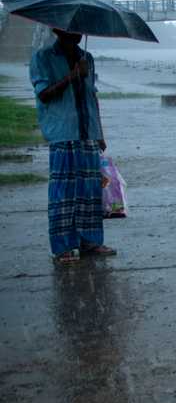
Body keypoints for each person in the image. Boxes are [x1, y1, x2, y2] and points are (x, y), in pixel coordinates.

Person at [29, 29, 116, 262]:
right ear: (58, 30)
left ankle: (91, 242)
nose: (77, 32)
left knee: (90, 192)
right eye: (71, 29)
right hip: (63, 134)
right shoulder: (43, 58)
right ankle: (62, 248)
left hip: (87, 133)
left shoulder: (87, 58)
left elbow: (92, 96)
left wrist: (100, 132)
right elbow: (44, 95)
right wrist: (72, 75)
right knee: (63, 194)